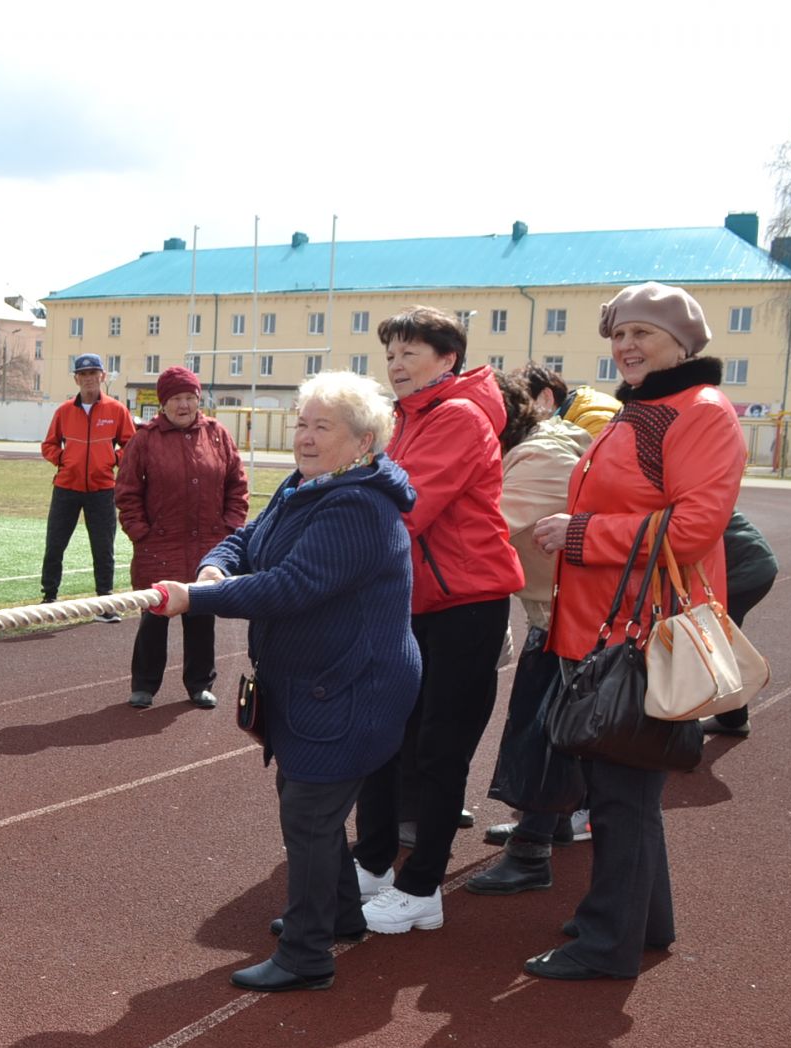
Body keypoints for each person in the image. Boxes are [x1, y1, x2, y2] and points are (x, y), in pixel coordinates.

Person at [149, 371, 420, 991]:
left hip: (353, 687)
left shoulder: (356, 504)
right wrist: (217, 567)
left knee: (308, 814)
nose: (304, 436)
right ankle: (341, 915)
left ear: (364, 442)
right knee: (308, 805)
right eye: (302, 422)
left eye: (322, 426)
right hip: (320, 682)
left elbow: (294, 585)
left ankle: (306, 955)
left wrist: (195, 599)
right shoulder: (309, 484)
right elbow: (251, 537)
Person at [526, 281, 746, 979]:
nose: (625, 346)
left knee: (621, 792)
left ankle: (605, 941)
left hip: (639, 632)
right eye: (619, 334)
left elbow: (693, 528)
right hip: (608, 625)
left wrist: (581, 533)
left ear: (681, 343)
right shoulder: (644, 409)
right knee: (628, 787)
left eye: (641, 334)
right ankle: (643, 921)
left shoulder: (699, 412)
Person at [351, 307, 524, 935]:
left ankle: (422, 886)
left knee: (440, 746)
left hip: (463, 604)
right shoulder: (406, 417)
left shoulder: (456, 417)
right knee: (386, 734)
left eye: (410, 352)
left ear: (447, 358)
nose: (396, 364)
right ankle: (371, 863)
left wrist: (329, 549)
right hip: (413, 601)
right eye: (391, 353)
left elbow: (405, 508)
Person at [466, 364, 604, 895]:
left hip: (575, 615)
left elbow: (483, 529)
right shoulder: (532, 449)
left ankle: (531, 852)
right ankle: (546, 827)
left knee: (547, 732)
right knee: (548, 727)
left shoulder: (540, 458)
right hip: (560, 610)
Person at [115, 363, 249, 709]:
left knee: (202, 618)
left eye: (190, 397)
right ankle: (144, 684)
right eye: (176, 398)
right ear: (163, 403)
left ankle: (199, 683)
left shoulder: (218, 435)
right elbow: (127, 492)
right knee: (154, 620)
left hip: (208, 547)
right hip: (159, 548)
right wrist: (140, 533)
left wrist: (230, 528)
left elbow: (237, 484)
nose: (184, 405)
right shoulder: (144, 440)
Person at [40, 353, 136, 620]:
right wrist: (63, 460)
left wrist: (111, 461)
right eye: (83, 375)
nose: (89, 379)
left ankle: (105, 602)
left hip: (102, 489)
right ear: (76, 379)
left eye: (94, 374)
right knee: (55, 544)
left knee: (103, 547)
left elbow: (132, 445)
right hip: (66, 488)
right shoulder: (64, 411)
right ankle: (49, 598)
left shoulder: (116, 410)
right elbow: (48, 445)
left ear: (102, 377)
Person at [706, 509, 777, 737]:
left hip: (746, 570)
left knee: (707, 643)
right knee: (716, 642)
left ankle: (681, 732)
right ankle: (732, 719)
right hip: (751, 564)